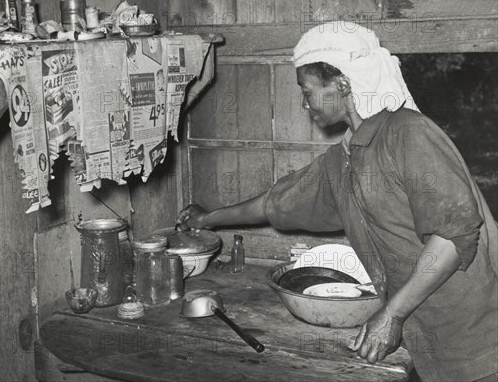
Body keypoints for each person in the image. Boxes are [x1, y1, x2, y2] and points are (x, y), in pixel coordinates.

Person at [176, 22, 498, 382]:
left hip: (478, 338)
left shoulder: (409, 133)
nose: (304, 103)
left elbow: (453, 238)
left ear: (342, 85)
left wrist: (391, 314)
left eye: (307, 91)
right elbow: (275, 202)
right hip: (427, 339)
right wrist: (208, 219)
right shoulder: (344, 158)